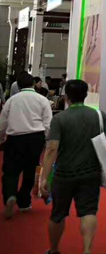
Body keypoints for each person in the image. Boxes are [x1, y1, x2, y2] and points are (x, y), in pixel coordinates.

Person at [38, 79, 106, 254]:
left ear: (66, 97)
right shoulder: (98, 115)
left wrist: (44, 177)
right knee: (88, 211)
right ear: (86, 95)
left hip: (64, 174)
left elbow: (52, 149)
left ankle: (54, 251)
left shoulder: (60, 119)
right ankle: (87, 252)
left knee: (58, 213)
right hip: (91, 173)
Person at [0, 72, 52, 219]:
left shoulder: (12, 100)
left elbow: (2, 122)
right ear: (33, 84)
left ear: (18, 85)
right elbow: (48, 123)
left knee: (10, 171)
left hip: (15, 139)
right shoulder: (42, 100)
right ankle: (24, 202)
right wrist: (48, 140)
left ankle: (10, 195)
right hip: (36, 138)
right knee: (30, 170)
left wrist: (2, 138)